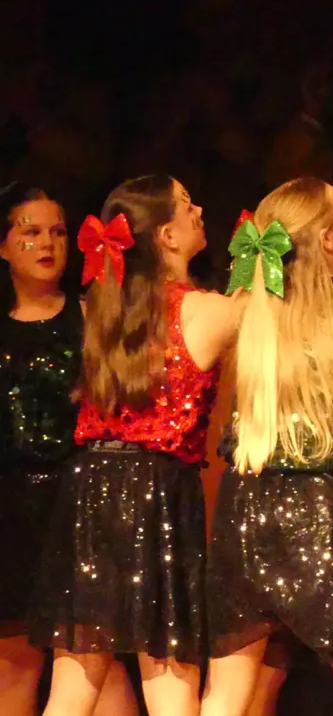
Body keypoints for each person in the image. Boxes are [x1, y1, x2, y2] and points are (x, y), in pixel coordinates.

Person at [28, 176, 243, 716]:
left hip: (90, 490)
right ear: (167, 235)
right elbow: (277, 317)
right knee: (171, 684)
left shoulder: (101, 309)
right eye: (187, 204)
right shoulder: (208, 312)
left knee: (72, 690)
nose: (199, 210)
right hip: (156, 492)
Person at [201, 178, 333, 716]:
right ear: (326, 237)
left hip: (246, 505)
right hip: (328, 508)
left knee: (227, 693)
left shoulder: (247, 307)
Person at [0, 188, 136, 716]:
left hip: (79, 506)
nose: (47, 243)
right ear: (4, 246)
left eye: (57, 232)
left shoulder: (91, 318)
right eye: (30, 231)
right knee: (14, 664)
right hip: (10, 513)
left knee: (92, 663)